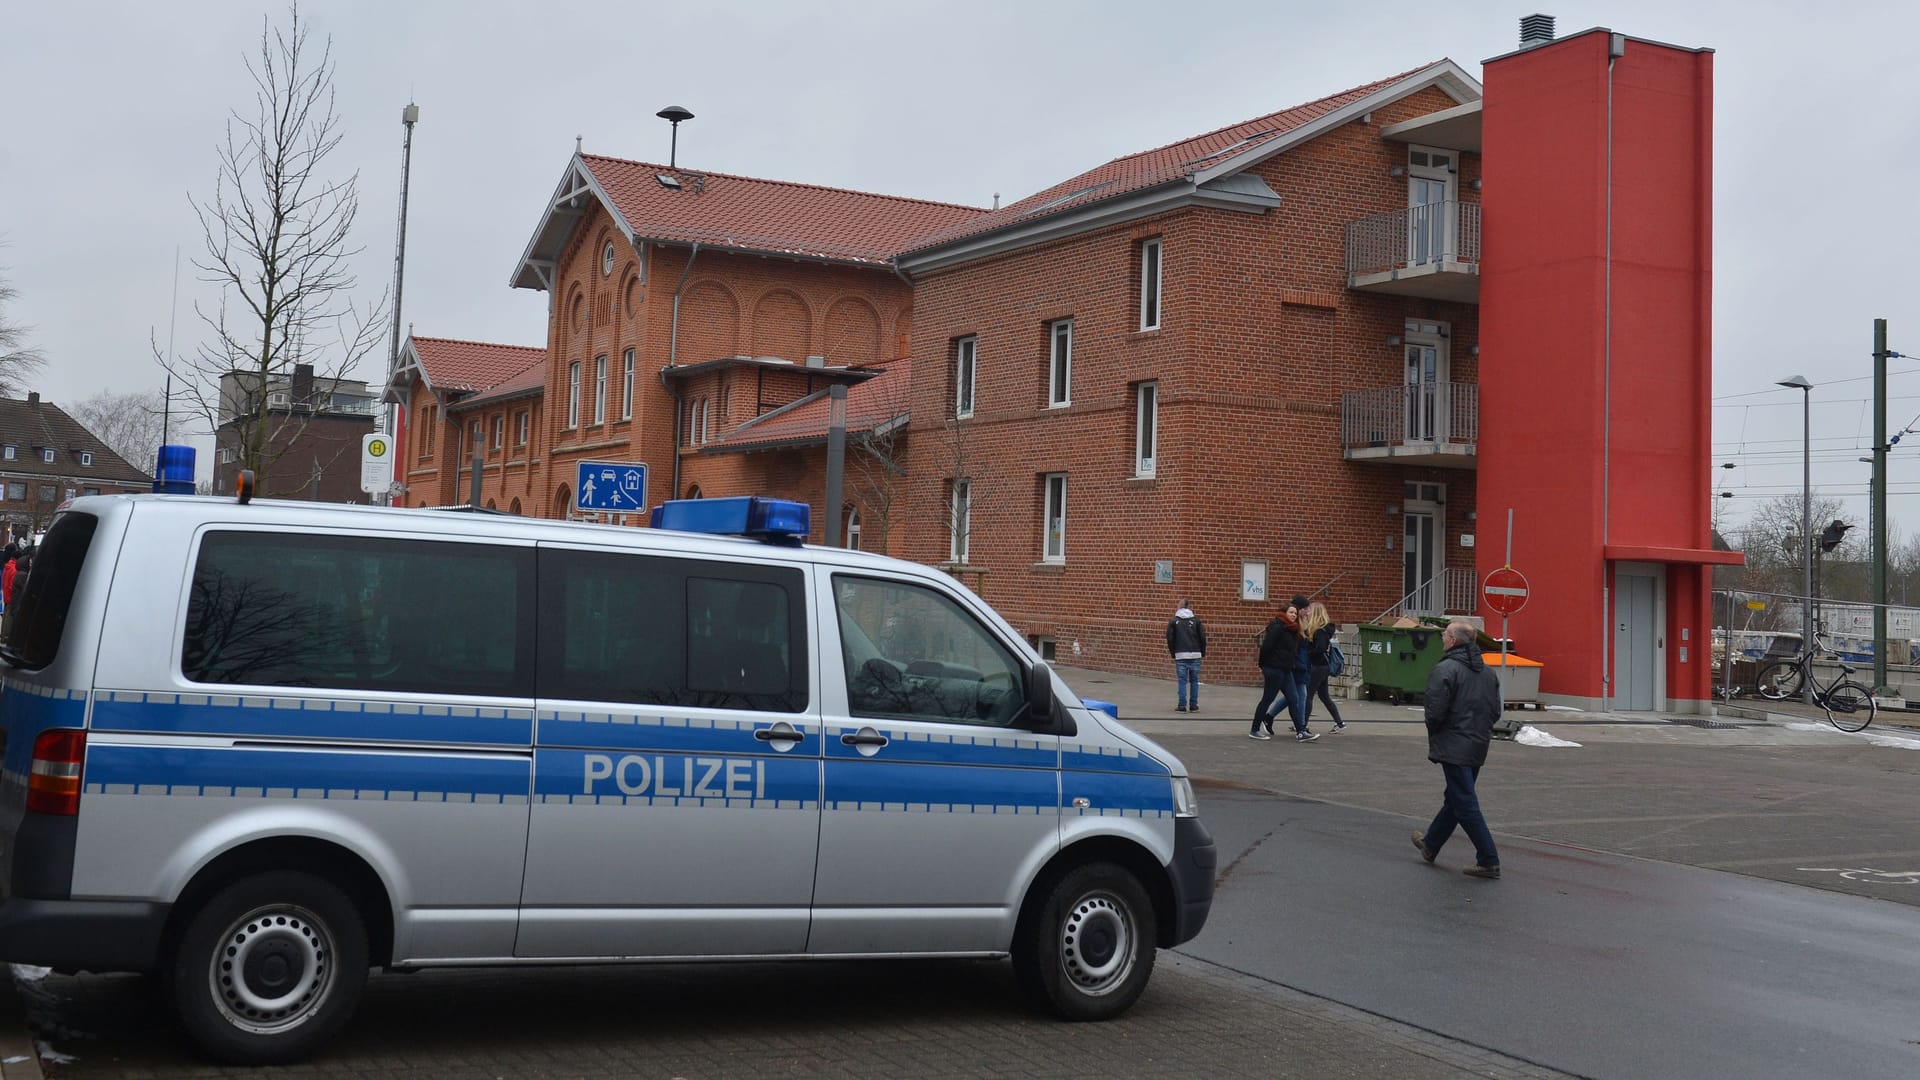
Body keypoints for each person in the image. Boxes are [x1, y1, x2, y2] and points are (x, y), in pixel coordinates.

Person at [1411, 621, 1502, 878]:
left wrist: (1440, 732)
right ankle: (1431, 844)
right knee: (1456, 797)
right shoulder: (1487, 672)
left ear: (1452, 640)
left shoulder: (1445, 669)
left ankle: (1488, 858)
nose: (1442, 638)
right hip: (1477, 743)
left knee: (1464, 802)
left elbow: (1435, 711)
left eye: (1444, 635)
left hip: (1454, 743)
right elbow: (1494, 711)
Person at [1251, 603, 1317, 741]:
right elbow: (1266, 647)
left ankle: (1300, 732)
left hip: (1286, 669)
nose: (1293, 615)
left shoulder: (1292, 629)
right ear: (1284, 613)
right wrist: (1262, 664)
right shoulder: (1278, 627)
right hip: (1274, 668)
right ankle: (1255, 729)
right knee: (1268, 699)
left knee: (1294, 698)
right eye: (1291, 612)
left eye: (1295, 613)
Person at [1300, 601, 1347, 733]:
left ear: (1315, 613)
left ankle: (1303, 724)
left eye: (1309, 611)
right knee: (1324, 696)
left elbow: (1320, 648)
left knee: (1308, 695)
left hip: (1318, 666)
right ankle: (1339, 722)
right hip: (1322, 666)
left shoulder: (1319, 631)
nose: (1307, 613)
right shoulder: (1322, 630)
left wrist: (1308, 653)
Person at [1165, 601, 1208, 712]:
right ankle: (1193, 705)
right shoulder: (1196, 621)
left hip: (1180, 654)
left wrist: (1173, 652)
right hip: (1195, 653)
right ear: (1189, 607)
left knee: (1182, 681)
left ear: (1179, 607)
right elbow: (1202, 638)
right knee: (1194, 681)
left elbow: (1170, 638)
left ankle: (1182, 705)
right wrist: (1202, 652)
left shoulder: (1174, 621)